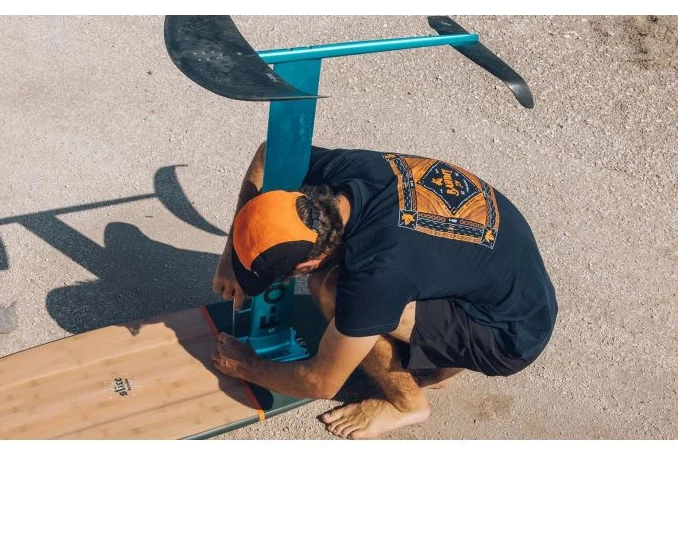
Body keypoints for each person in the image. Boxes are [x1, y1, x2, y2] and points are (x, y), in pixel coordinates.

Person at [211, 142, 557, 439]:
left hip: (511, 334)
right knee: (358, 289)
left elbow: (320, 382)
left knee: (331, 290)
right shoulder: (339, 176)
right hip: (502, 281)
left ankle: (407, 405)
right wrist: (230, 257)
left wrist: (249, 366)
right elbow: (269, 152)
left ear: (305, 264)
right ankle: (438, 363)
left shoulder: (375, 271)